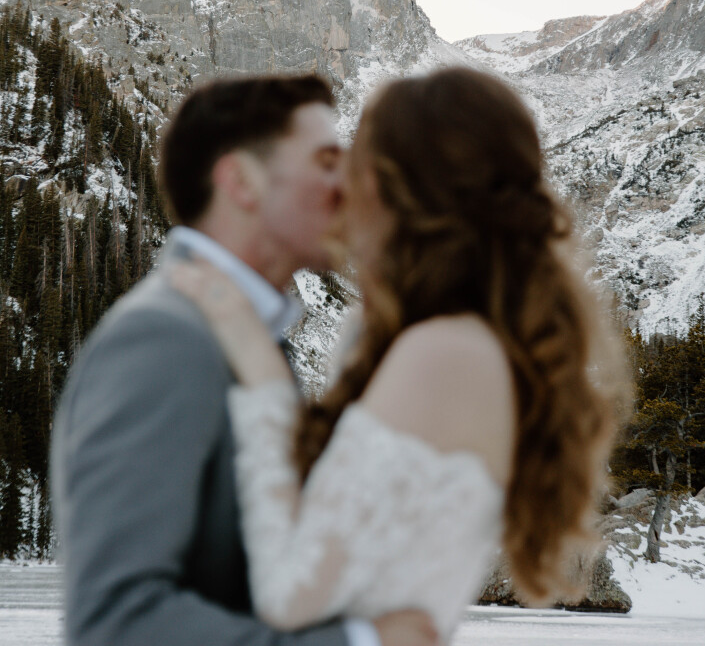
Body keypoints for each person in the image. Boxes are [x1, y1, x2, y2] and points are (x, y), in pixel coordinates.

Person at [172, 67, 626, 639]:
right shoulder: (448, 341)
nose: (340, 194)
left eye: (355, 167)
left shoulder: (443, 352)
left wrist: (258, 369)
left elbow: (287, 595)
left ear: (392, 192)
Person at [51, 75, 436, 646]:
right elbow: (115, 622)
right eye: (327, 161)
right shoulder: (164, 340)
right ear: (240, 182)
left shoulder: (248, 339)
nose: (348, 185)